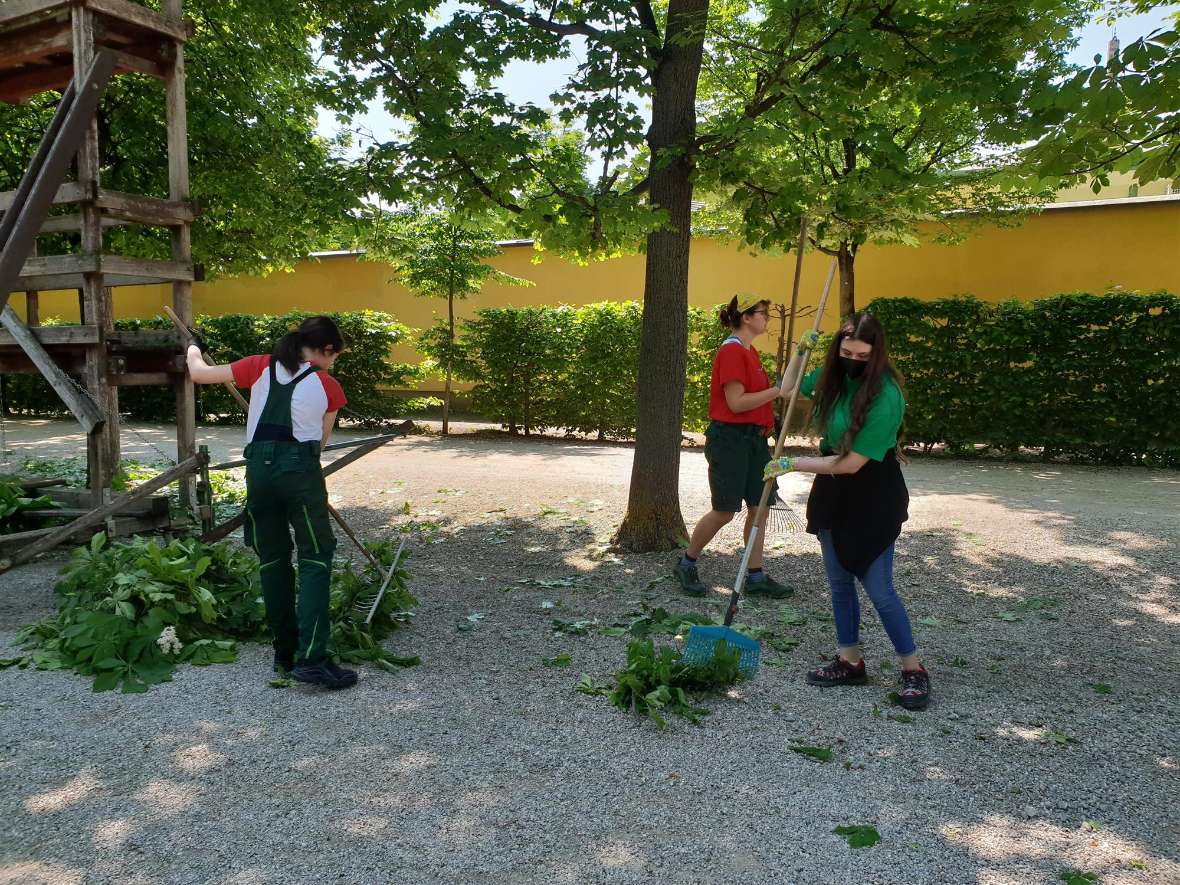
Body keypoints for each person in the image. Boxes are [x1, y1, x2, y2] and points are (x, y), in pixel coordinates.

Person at [764, 312, 930, 710]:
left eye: (861, 353)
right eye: (846, 350)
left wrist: (792, 464)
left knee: (879, 589)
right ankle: (850, 659)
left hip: (873, 495)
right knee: (839, 583)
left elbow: (854, 463)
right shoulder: (834, 376)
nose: (852, 359)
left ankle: (913, 668)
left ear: (875, 353)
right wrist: (798, 354)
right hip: (833, 493)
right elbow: (787, 390)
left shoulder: (886, 395)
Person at [186, 316, 357, 690]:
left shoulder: (258, 366)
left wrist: (193, 347)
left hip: (258, 474)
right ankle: (312, 658)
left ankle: (284, 653)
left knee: (274, 559)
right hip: (300, 473)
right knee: (315, 557)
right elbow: (319, 446)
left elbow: (198, 373)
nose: (333, 363)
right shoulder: (329, 387)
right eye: (335, 356)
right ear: (326, 350)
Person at [673, 294, 795, 599]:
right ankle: (686, 563)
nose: (767, 318)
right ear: (746, 317)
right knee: (725, 511)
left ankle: (755, 577)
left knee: (760, 507)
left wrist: (801, 354)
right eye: (763, 313)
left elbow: (773, 392)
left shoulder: (749, 352)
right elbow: (736, 403)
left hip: (754, 441)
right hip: (730, 440)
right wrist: (776, 392)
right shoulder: (732, 352)